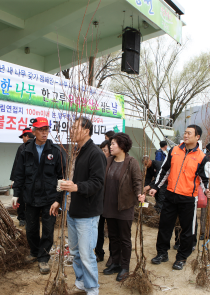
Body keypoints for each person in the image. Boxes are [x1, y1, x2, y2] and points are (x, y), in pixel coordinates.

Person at [149, 125, 210, 271]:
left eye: (189, 133)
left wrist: (208, 191)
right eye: (185, 132)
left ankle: (181, 257)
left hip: (189, 199)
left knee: (187, 230)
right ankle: (162, 253)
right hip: (171, 195)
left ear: (197, 137)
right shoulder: (174, 150)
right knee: (165, 226)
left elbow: (205, 179)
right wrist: (155, 187)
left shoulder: (202, 157)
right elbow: (164, 171)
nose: (185, 135)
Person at [12, 117, 66, 274]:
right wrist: (16, 193)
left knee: (48, 230)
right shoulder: (24, 149)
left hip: (50, 199)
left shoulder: (56, 151)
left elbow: (62, 177)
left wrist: (58, 200)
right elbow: (19, 173)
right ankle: (34, 252)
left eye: (46, 129)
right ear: (33, 132)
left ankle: (43, 258)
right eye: (41, 130)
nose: (44, 132)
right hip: (30, 196)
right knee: (31, 228)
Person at [60, 117, 106, 295]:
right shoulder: (76, 151)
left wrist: (76, 187)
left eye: (74, 127)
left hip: (87, 213)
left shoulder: (95, 153)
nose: (71, 130)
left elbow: (97, 182)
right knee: (74, 251)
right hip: (72, 209)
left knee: (87, 254)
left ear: (86, 131)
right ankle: (80, 280)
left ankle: (92, 288)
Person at [102, 133, 144, 282]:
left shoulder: (131, 162)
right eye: (110, 144)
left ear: (122, 146)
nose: (110, 146)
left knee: (124, 238)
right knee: (113, 237)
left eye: (113, 144)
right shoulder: (108, 161)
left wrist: (140, 194)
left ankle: (125, 267)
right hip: (109, 205)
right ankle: (115, 262)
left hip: (124, 206)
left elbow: (137, 181)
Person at [10, 127, 35, 227]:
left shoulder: (22, 147)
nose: (23, 139)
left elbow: (17, 165)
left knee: (20, 199)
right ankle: (30, 218)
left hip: (23, 180)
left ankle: (22, 218)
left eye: (23, 137)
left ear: (27, 136)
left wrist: (14, 180)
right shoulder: (39, 146)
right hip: (33, 180)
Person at [95, 139, 111, 263]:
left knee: (112, 230)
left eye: (105, 151)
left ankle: (113, 256)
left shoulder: (114, 164)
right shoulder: (98, 163)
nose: (102, 153)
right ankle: (99, 252)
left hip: (110, 203)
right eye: (102, 150)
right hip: (99, 202)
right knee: (99, 229)